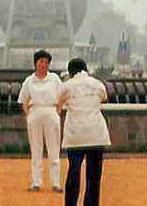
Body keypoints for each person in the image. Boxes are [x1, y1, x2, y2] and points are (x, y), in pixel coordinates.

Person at [57, 57, 109, 206]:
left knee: (74, 172)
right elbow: (103, 98)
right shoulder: (98, 84)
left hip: (76, 135)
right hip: (96, 134)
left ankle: (71, 203)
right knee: (93, 176)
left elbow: (58, 103)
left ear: (70, 72)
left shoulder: (67, 86)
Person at [18, 49, 62, 192]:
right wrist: (28, 115)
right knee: (36, 149)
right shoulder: (29, 81)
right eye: (41, 61)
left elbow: (62, 95)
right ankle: (36, 182)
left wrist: (58, 110)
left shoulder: (54, 78)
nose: (43, 64)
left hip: (51, 111)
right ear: (35, 63)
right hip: (35, 112)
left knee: (54, 149)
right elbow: (23, 100)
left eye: (46, 62)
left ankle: (56, 183)